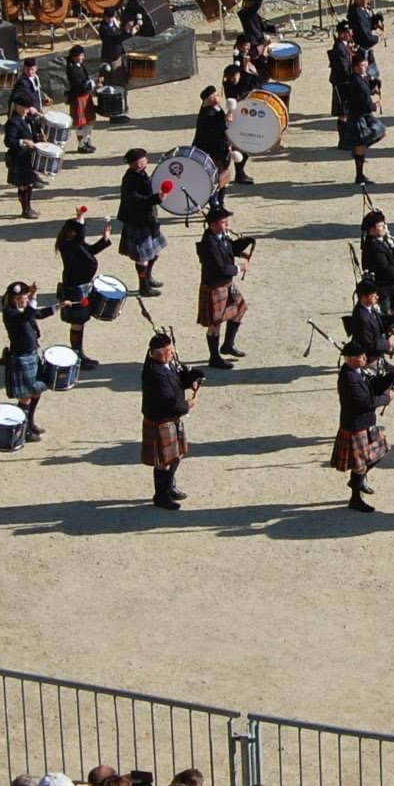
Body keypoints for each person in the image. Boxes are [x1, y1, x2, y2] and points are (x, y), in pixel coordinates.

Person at [333, 342, 394, 512]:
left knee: (380, 451)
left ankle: (357, 481)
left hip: (365, 423)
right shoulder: (348, 378)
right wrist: (387, 398)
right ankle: (355, 497)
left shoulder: (358, 371)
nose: (365, 358)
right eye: (361, 356)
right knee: (360, 465)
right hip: (355, 426)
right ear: (350, 359)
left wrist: (389, 379)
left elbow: (372, 388)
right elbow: (365, 402)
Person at [141, 334, 200, 510]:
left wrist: (191, 379)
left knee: (177, 455)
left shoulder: (165, 365)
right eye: (169, 351)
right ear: (159, 353)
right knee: (164, 462)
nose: (172, 353)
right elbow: (170, 402)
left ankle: (169, 487)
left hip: (170, 419)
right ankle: (161, 496)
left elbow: (177, 381)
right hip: (161, 420)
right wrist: (187, 405)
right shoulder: (155, 374)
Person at [194, 207, 250, 370]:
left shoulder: (221, 236)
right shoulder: (209, 243)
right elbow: (221, 268)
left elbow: (228, 247)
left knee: (240, 308)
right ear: (213, 225)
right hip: (214, 286)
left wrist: (242, 248)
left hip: (226, 284)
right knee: (215, 323)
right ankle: (214, 357)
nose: (227, 225)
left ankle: (228, 345)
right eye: (223, 222)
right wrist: (239, 268)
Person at [54, 212, 112, 368]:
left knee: (80, 322)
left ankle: (78, 353)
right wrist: (81, 220)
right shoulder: (68, 245)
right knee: (77, 323)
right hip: (75, 290)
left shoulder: (75, 244)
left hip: (83, 287)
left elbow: (90, 251)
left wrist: (104, 239)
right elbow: (80, 239)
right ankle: (77, 355)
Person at [1, 282, 55, 441]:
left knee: (37, 390)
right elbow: (27, 315)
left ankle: (30, 423)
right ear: (11, 299)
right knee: (25, 397)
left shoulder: (24, 310)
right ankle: (23, 430)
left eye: (24, 297)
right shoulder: (10, 313)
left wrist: (59, 306)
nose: (23, 300)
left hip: (31, 355)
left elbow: (38, 313)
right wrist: (34, 296)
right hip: (21, 358)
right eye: (19, 298)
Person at [119, 150, 166, 297]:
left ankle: (148, 277)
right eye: (144, 159)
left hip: (148, 219)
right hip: (137, 221)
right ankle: (143, 286)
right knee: (143, 257)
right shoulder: (131, 179)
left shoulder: (141, 174)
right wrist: (156, 198)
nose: (147, 160)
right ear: (137, 163)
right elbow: (136, 200)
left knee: (155, 251)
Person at [337, 54, 383, 187]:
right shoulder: (357, 82)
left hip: (363, 115)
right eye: (362, 65)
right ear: (356, 67)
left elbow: (366, 90)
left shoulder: (360, 78)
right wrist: (375, 105)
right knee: (363, 144)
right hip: (358, 116)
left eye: (365, 65)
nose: (365, 67)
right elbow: (364, 102)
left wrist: (374, 85)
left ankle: (358, 151)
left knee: (380, 132)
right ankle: (359, 175)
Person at [360, 211, 394, 323]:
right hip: (382, 292)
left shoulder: (380, 241)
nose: (384, 228)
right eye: (380, 226)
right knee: (387, 325)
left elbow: (389, 256)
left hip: (389, 289)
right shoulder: (373, 248)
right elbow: (385, 269)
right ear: (372, 230)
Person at [192, 86, 236, 200]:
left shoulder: (216, 108)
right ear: (209, 98)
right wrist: (226, 121)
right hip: (212, 150)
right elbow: (216, 130)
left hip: (220, 148)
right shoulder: (207, 114)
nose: (219, 96)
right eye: (215, 95)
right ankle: (215, 203)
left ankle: (220, 203)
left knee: (224, 177)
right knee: (215, 178)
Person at [5, 96, 43, 221]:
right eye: (24, 107)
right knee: (23, 185)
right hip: (19, 157)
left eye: (27, 107)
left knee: (29, 184)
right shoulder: (13, 122)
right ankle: (25, 210)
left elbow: (32, 136)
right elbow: (8, 141)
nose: (26, 110)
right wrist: (23, 142)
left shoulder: (28, 120)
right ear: (17, 107)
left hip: (28, 156)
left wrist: (39, 137)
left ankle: (28, 208)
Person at [345, 277, 394, 362]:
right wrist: (388, 344)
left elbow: (378, 322)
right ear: (364, 297)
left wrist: (392, 325)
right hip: (369, 357)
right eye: (373, 295)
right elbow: (369, 344)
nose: (377, 297)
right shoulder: (362, 317)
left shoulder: (368, 307)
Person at [65, 45, 99, 155]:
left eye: (82, 55)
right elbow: (78, 83)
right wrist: (90, 85)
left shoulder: (80, 65)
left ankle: (86, 140)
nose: (82, 57)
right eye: (80, 55)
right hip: (78, 97)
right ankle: (81, 144)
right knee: (80, 123)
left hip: (85, 95)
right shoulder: (71, 68)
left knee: (90, 120)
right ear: (74, 56)